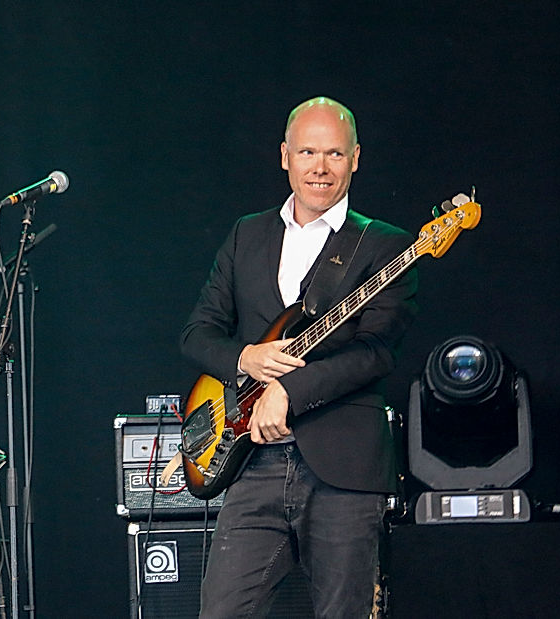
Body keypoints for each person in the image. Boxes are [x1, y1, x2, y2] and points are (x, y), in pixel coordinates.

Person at [180, 97, 417, 618]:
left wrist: (289, 390)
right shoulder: (247, 234)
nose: (320, 167)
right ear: (285, 156)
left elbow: (376, 353)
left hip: (343, 468)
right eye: (308, 151)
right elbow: (198, 333)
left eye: (334, 153)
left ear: (356, 158)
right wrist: (246, 358)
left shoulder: (385, 246)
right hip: (251, 460)